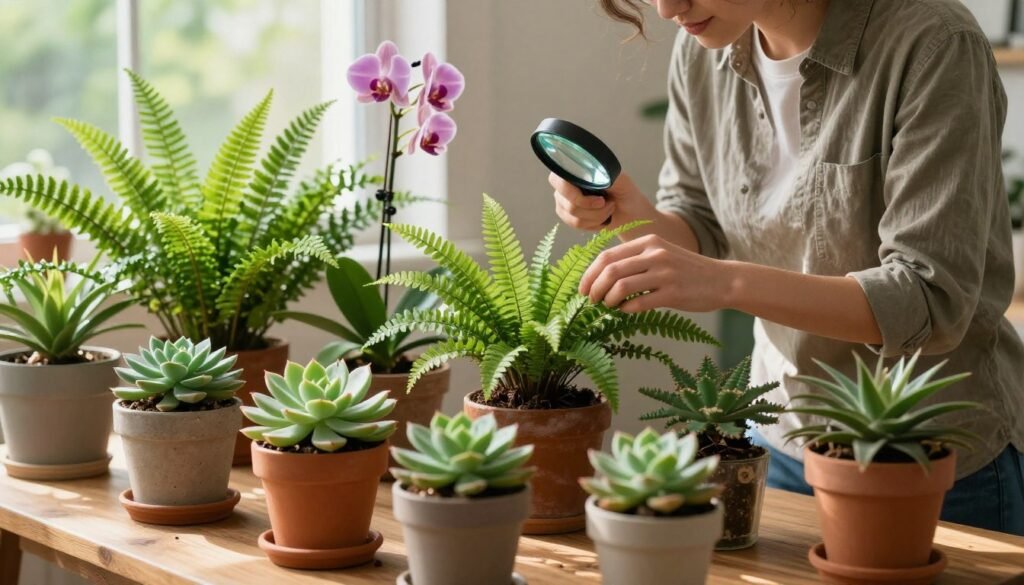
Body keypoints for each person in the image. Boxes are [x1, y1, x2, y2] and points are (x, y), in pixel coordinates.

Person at [549, 0, 1024, 535]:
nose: (665, 9)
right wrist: (634, 217)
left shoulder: (933, 43)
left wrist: (726, 283)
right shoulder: (705, 48)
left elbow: (928, 301)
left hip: (933, 464)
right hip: (780, 437)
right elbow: (700, 221)